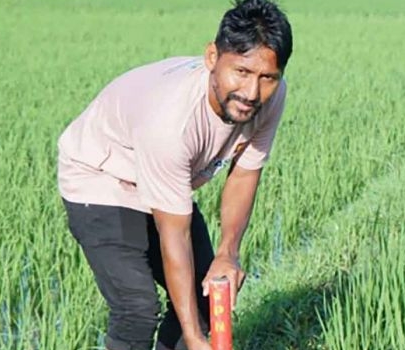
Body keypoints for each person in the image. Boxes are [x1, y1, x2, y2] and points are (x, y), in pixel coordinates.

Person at [56, 0, 292, 349]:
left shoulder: (269, 99)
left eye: (267, 77)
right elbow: (174, 233)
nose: (252, 93)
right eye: (241, 72)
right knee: (136, 308)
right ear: (212, 57)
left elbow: (244, 172)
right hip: (102, 178)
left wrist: (228, 252)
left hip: (162, 178)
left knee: (207, 295)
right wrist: (196, 338)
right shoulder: (171, 123)